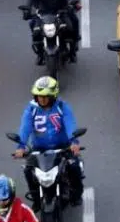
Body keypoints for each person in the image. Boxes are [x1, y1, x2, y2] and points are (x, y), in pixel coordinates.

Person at [13, 76, 84, 209]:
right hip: (39, 149)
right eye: (39, 96)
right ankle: (36, 200)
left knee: (74, 167)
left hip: (62, 147)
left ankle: (76, 195)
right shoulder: (31, 109)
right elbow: (25, 127)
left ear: (53, 96)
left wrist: (74, 142)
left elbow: (70, 124)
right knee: (29, 170)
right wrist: (21, 146)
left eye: (46, 96)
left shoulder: (62, 107)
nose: (42, 99)